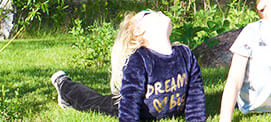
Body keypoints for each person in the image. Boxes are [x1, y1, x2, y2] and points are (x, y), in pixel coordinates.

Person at [51, 9, 206, 122]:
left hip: (167, 111)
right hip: (133, 108)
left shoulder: (185, 54)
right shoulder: (139, 60)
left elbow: (195, 93)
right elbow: (130, 100)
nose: (158, 12)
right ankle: (64, 85)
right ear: (139, 31)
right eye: (148, 13)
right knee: (93, 102)